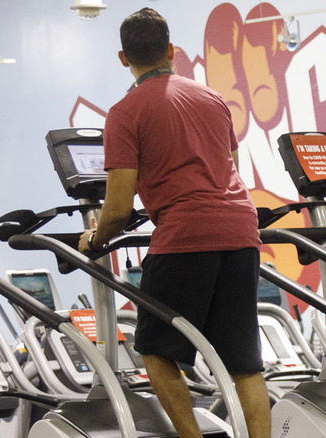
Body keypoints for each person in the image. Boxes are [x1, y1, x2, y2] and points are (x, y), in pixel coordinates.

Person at [77, 8, 270, 438]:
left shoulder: (126, 112)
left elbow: (119, 208)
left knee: (157, 353)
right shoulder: (213, 99)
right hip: (240, 231)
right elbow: (229, 170)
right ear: (170, 51)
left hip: (185, 237)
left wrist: (92, 240)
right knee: (243, 362)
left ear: (123, 59)